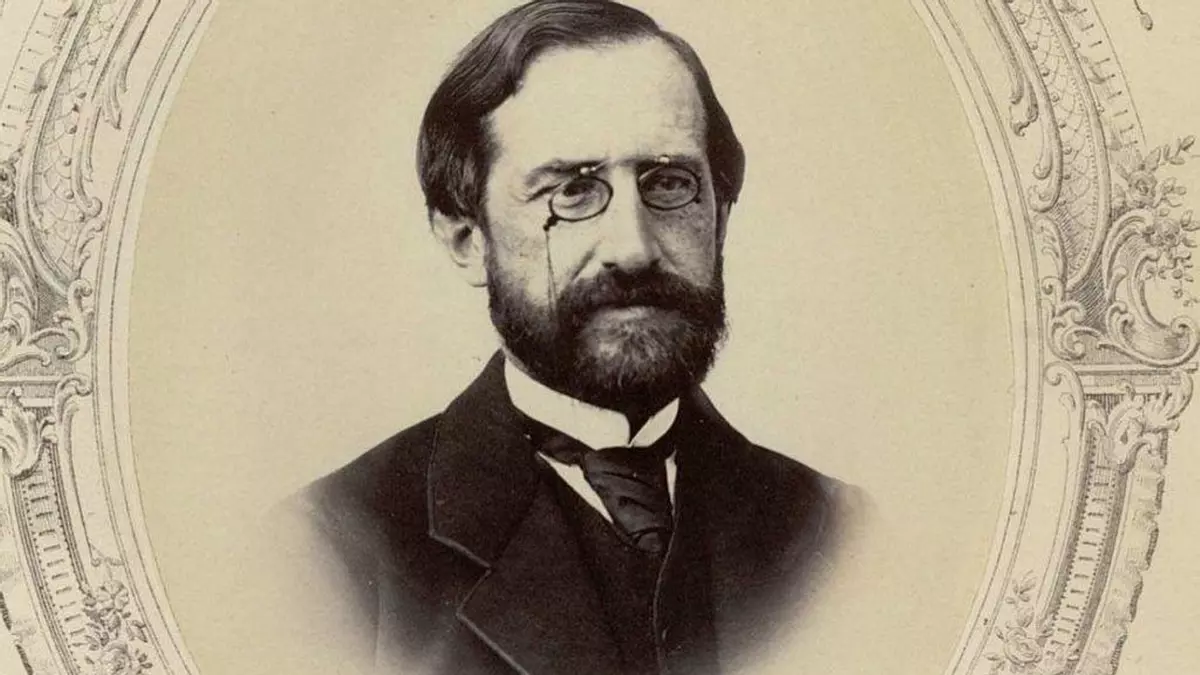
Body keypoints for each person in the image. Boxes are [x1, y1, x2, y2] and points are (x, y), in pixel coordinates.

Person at [279, 1, 862, 673]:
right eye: (572, 192)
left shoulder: (845, 536)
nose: (634, 248)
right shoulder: (330, 555)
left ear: (720, 218)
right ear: (467, 239)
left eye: (669, 183)